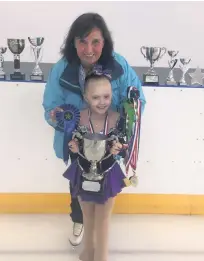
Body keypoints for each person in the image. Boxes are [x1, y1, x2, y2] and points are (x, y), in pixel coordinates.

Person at [42, 12, 146, 246]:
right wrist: (59, 119)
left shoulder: (120, 65)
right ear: (73, 43)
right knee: (77, 184)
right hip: (79, 143)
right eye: (82, 41)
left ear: (105, 43)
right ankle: (79, 220)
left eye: (95, 41)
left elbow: (138, 101)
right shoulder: (61, 69)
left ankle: (100, 227)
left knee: (106, 185)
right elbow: (50, 106)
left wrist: (125, 124)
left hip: (108, 143)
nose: (89, 49)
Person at [63, 71, 128, 261]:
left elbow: (123, 143)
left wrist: (118, 147)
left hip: (107, 173)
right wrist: (74, 145)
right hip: (83, 172)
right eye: (96, 97)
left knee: (103, 219)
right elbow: (75, 139)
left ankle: (102, 258)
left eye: (106, 96)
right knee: (88, 217)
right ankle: (87, 254)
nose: (102, 102)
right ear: (86, 97)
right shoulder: (79, 117)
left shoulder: (116, 118)